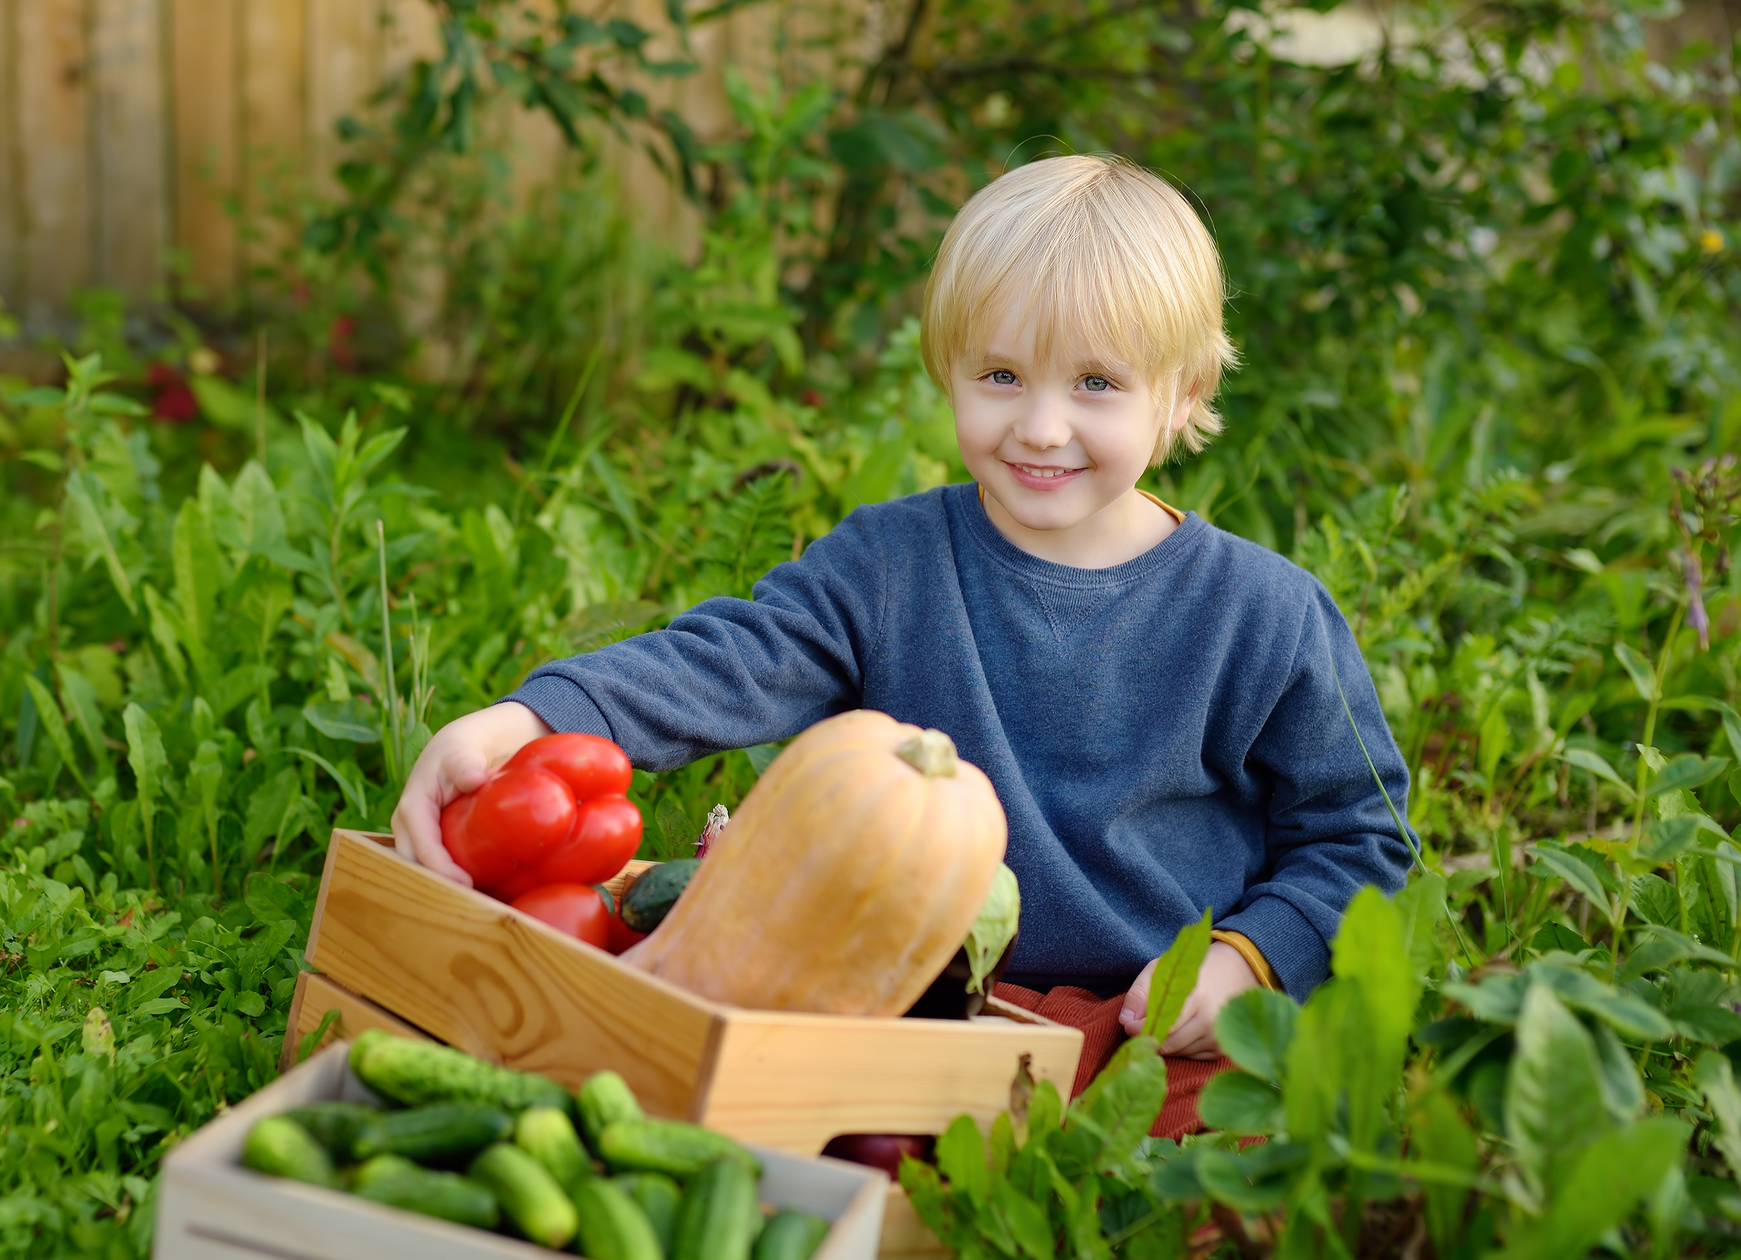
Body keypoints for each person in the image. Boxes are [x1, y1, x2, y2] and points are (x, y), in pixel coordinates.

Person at [391, 154, 1411, 1125]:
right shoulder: (894, 564)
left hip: (1157, 1014)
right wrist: (532, 717)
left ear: (1184, 395)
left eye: (1096, 384)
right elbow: (734, 657)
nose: (1042, 427)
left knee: (1211, 1168)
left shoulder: (1262, 614)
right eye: (1002, 375)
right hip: (911, 985)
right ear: (949, 368)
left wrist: (1245, 960)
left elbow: (1358, 836)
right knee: (771, 1117)